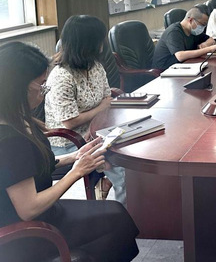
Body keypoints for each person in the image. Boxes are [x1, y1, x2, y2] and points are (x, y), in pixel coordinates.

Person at [0, 42, 139, 262]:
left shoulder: (16, 119)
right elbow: (29, 209)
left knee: (115, 214)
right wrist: (76, 172)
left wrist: (74, 157)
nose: (44, 92)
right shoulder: (10, 140)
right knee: (115, 223)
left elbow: (28, 168)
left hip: (42, 214)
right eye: (41, 85)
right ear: (19, 87)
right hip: (28, 232)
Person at [45, 15, 126, 204]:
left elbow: (107, 97)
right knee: (123, 168)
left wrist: (99, 119)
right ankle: (128, 214)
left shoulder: (95, 66)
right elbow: (69, 122)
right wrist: (101, 108)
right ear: (87, 44)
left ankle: (108, 185)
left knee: (134, 146)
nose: (103, 45)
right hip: (70, 141)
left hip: (97, 131)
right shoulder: (61, 76)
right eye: (99, 40)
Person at [152, 7, 216, 71]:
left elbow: (211, 39)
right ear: (191, 20)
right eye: (202, 24)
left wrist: (205, 44)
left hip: (184, 66)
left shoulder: (193, 31)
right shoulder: (174, 31)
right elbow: (180, 56)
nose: (203, 27)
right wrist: (209, 49)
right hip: (164, 70)